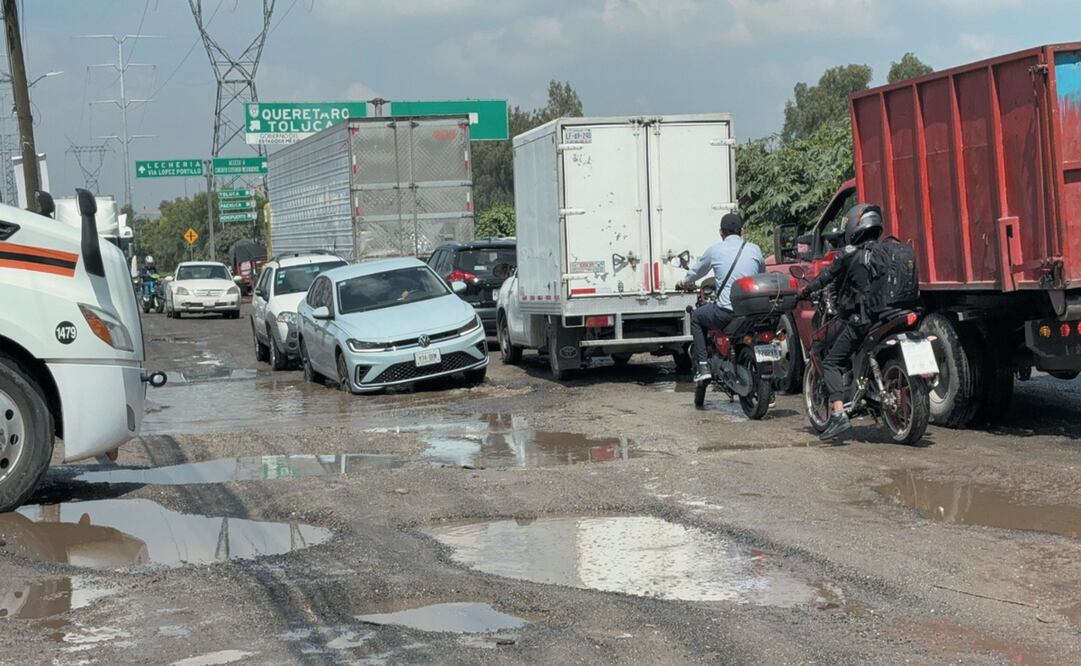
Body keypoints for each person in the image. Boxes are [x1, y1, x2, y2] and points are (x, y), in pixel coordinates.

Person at [798, 203, 885, 440]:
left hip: (862, 319)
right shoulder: (888, 250)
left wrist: (805, 292)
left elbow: (826, 277)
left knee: (832, 362)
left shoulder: (849, 253)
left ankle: (838, 415)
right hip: (890, 316)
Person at [676, 213, 765, 383]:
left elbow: (695, 273)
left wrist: (684, 283)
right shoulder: (755, 249)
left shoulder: (715, 250)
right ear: (742, 230)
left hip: (727, 313)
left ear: (721, 232)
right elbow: (761, 274)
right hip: (752, 312)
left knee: (696, 317)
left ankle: (702, 365)